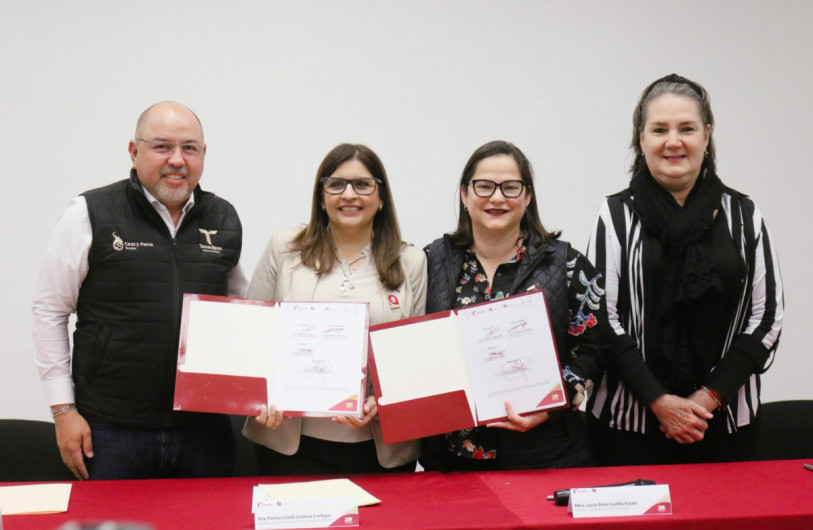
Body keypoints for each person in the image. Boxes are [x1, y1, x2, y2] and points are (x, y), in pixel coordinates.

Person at [32, 101, 248, 480]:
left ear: (203, 154)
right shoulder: (90, 213)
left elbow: (241, 312)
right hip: (111, 432)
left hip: (204, 433)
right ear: (134, 151)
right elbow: (49, 312)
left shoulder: (223, 218)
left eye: (190, 148)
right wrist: (63, 411)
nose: (177, 160)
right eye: (162, 146)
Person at [585, 74, 784, 465]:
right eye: (659, 129)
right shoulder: (614, 216)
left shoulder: (744, 216)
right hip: (628, 428)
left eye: (686, 128)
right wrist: (659, 402)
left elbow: (767, 319)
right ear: (641, 140)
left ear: (706, 135)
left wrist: (707, 399)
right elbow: (600, 320)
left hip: (724, 425)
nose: (673, 141)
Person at [242, 143, 426, 475]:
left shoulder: (410, 260)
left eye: (363, 184)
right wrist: (257, 399)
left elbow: (414, 358)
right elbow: (252, 334)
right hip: (289, 444)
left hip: (379, 449)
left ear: (381, 197)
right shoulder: (285, 248)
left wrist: (382, 403)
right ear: (321, 196)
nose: (349, 194)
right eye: (336, 184)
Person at [421, 140, 605, 471]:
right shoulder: (431, 261)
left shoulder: (568, 265)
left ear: (528, 196)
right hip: (453, 459)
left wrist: (548, 405)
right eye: (484, 186)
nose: (496, 198)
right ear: (464, 194)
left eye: (510, 187)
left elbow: (592, 350)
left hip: (546, 452)